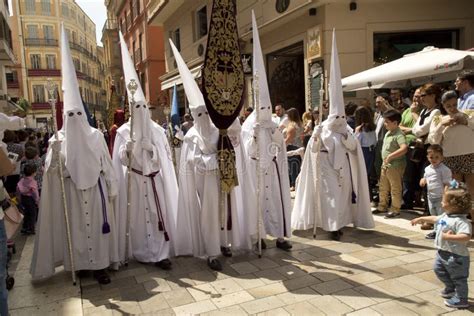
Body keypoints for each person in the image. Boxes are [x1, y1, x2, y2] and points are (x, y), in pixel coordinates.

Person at [30, 26, 119, 284]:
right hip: (71, 191)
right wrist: (54, 160)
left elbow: (106, 163)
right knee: (77, 231)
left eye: (77, 114)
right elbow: (50, 171)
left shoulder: (95, 136)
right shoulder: (59, 140)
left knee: (98, 230)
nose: (74, 119)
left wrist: (112, 187)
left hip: (95, 190)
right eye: (70, 116)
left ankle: (100, 266)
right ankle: (80, 266)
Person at [170, 40, 251, 271]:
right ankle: (211, 251)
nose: (203, 116)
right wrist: (214, 160)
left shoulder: (219, 128)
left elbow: (234, 139)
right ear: (193, 115)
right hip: (205, 185)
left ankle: (226, 242)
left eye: (206, 111)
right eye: (198, 113)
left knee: (226, 211)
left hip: (223, 180)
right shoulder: (192, 136)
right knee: (210, 216)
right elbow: (193, 162)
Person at [292, 30, 374, 241]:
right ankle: (331, 225)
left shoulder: (346, 128)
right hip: (325, 165)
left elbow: (354, 147)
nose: (338, 119)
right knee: (329, 197)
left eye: (341, 116)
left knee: (343, 196)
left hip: (343, 167)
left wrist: (346, 137)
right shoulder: (324, 127)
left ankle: (341, 222)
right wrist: (316, 136)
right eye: (335, 116)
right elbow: (314, 148)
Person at [113, 32, 178, 270]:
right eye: (136, 106)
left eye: (143, 106)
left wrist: (151, 150)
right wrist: (126, 151)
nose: (140, 110)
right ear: (131, 108)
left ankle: (161, 254)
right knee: (139, 219)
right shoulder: (123, 133)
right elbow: (119, 163)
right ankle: (140, 251)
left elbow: (165, 159)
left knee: (157, 217)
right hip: (134, 183)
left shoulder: (158, 132)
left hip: (153, 181)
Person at [242, 12, 292, 253]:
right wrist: (253, 136)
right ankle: (258, 236)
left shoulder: (272, 122)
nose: (265, 110)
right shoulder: (247, 124)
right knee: (257, 205)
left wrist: (273, 135)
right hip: (254, 172)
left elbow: (280, 144)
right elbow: (246, 151)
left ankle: (281, 236)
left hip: (272, 170)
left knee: (277, 203)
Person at [411, 181, 471, 309]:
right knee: (439, 270)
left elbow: (466, 236)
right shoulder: (446, 215)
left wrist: (450, 237)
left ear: (453, 205)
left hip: (457, 256)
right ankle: (450, 289)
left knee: (459, 278)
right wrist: (421, 219)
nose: (442, 203)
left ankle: (462, 299)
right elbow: (434, 219)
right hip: (442, 252)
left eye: (444, 201)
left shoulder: (462, 221)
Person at [428, 90, 474, 220]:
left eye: (454, 104)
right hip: (449, 157)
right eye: (449, 106)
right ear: (443, 105)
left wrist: (465, 121)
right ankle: (456, 221)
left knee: (472, 190)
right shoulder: (438, 119)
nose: (452, 108)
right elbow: (433, 141)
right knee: (454, 191)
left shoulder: (469, 114)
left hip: (470, 154)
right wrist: (442, 125)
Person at [373, 109, 408, 218]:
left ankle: (395, 209)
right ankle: (382, 206)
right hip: (386, 165)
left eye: (387, 122)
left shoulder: (399, 134)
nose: (385, 124)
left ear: (395, 123)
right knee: (383, 186)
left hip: (395, 166)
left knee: (395, 188)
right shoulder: (388, 133)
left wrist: (391, 156)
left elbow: (404, 148)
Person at [419, 145, 452, 239]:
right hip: (431, 196)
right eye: (431, 157)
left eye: (437, 157)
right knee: (433, 214)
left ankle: (442, 232)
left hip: (440, 196)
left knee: (441, 215)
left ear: (442, 157)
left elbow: (447, 184)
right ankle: (435, 230)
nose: (434, 159)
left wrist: (445, 197)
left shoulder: (444, 170)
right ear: (427, 157)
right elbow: (426, 176)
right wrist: (423, 179)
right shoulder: (427, 168)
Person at [400, 88, 424, 209]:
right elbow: (399, 126)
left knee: (420, 174)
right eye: (414, 96)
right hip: (407, 146)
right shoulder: (406, 111)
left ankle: (418, 199)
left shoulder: (424, 111)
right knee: (407, 175)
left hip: (420, 147)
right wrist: (412, 130)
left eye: (419, 96)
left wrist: (410, 129)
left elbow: (421, 129)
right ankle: (407, 200)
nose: (416, 99)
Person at [354, 106, 376, 182]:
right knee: (368, 174)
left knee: (362, 174)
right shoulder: (372, 126)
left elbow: (356, 143)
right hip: (372, 151)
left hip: (363, 151)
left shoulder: (359, 129)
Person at [17, 163, 39, 235]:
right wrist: (37, 201)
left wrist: (19, 198)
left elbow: (18, 189)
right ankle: (31, 228)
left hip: (23, 198)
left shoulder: (22, 180)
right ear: (33, 173)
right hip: (30, 199)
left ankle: (25, 227)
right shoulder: (33, 182)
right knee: (33, 214)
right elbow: (35, 192)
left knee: (26, 213)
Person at [284, 108, 304, 189]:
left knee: (292, 166)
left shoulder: (292, 126)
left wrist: (281, 146)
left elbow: (289, 139)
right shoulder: (299, 124)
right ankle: (296, 183)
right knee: (296, 165)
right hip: (299, 146)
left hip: (292, 146)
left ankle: (293, 184)